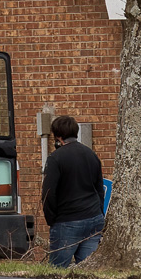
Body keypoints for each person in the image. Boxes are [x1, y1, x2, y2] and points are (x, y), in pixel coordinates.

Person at [41, 114, 105, 268]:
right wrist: (99, 212)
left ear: (58, 136)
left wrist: (52, 220)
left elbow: (48, 193)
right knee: (88, 270)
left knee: (57, 269)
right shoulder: (91, 155)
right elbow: (99, 189)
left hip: (67, 220)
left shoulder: (55, 158)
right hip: (93, 218)